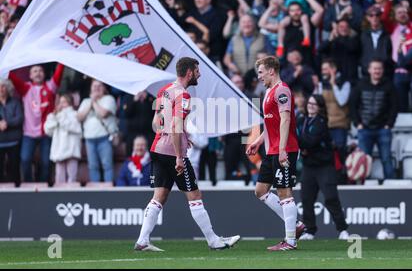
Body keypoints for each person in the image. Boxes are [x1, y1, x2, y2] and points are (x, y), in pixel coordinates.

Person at [135, 57, 240, 252]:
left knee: (159, 196)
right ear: (190, 72)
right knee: (195, 196)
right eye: (197, 71)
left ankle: (142, 240)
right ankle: (213, 240)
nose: (199, 74)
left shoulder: (164, 90)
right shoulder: (183, 96)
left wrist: (183, 135)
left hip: (157, 148)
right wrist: (178, 155)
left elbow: (156, 123)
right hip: (172, 153)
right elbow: (174, 125)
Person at [246, 56, 305, 251]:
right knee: (260, 191)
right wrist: (258, 140)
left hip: (284, 149)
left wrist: (282, 150)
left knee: (284, 192)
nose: (259, 76)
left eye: (261, 72)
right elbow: (272, 123)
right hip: (271, 150)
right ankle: (296, 226)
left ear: (272, 71)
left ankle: (290, 241)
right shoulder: (270, 91)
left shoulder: (282, 90)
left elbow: (285, 120)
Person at [296, 94, 349, 240]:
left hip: (324, 166)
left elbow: (309, 142)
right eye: (309, 103)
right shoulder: (301, 120)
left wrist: (302, 145)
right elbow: (296, 138)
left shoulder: (321, 122)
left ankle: (342, 230)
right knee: (306, 199)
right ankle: (310, 230)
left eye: (314, 104)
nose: (311, 106)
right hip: (309, 166)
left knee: (331, 198)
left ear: (320, 107)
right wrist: (302, 145)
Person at [8, 63, 64, 182]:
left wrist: (61, 58)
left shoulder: (51, 86)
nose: (38, 73)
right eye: (35, 71)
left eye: (40, 71)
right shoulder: (25, 88)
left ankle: (43, 185)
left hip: (46, 133)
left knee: (45, 162)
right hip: (29, 133)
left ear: (44, 74)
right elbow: (11, 76)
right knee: (25, 159)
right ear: (30, 76)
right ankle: (28, 184)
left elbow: (59, 71)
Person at [350, 59, 398, 179]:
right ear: (369, 70)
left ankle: (392, 186)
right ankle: (364, 185)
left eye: (379, 68)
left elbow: (394, 106)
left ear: (382, 70)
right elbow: (352, 105)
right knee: (364, 160)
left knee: (386, 159)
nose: (377, 71)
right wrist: (358, 123)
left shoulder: (389, 85)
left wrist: (389, 124)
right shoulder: (360, 84)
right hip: (364, 129)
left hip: (383, 129)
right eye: (374, 68)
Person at [77, 79, 118, 182]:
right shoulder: (86, 101)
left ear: (104, 88)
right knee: (92, 166)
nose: (97, 88)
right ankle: (95, 190)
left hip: (104, 137)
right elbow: (79, 117)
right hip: (89, 139)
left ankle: (108, 190)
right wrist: (91, 101)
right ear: (90, 88)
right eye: (94, 86)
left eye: (99, 86)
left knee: (107, 165)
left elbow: (103, 114)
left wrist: (94, 102)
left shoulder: (109, 99)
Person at [44, 94, 82, 184]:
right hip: (59, 150)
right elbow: (47, 130)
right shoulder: (55, 115)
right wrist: (54, 117)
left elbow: (76, 128)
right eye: (60, 102)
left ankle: (71, 196)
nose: (61, 105)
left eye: (64, 102)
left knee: (72, 177)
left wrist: (60, 118)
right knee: (59, 177)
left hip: (71, 150)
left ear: (70, 103)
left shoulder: (75, 114)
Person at [0, 79, 23, 185]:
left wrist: (7, 123)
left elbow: (19, 118)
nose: (1, 89)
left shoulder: (15, 102)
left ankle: (16, 189)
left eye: (3, 86)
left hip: (14, 140)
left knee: (14, 166)